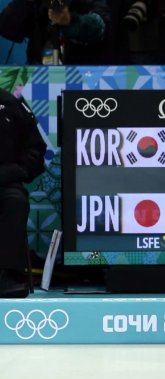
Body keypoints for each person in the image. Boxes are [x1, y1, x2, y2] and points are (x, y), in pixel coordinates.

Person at [0, 89, 46, 298]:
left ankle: (6, 277)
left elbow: (35, 148)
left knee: (15, 201)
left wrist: (20, 170)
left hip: (4, 181)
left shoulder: (9, 102)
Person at [0, 0, 112, 64]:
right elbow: (7, 26)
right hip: (40, 74)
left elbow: (99, 28)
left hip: (84, 75)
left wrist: (70, 21)